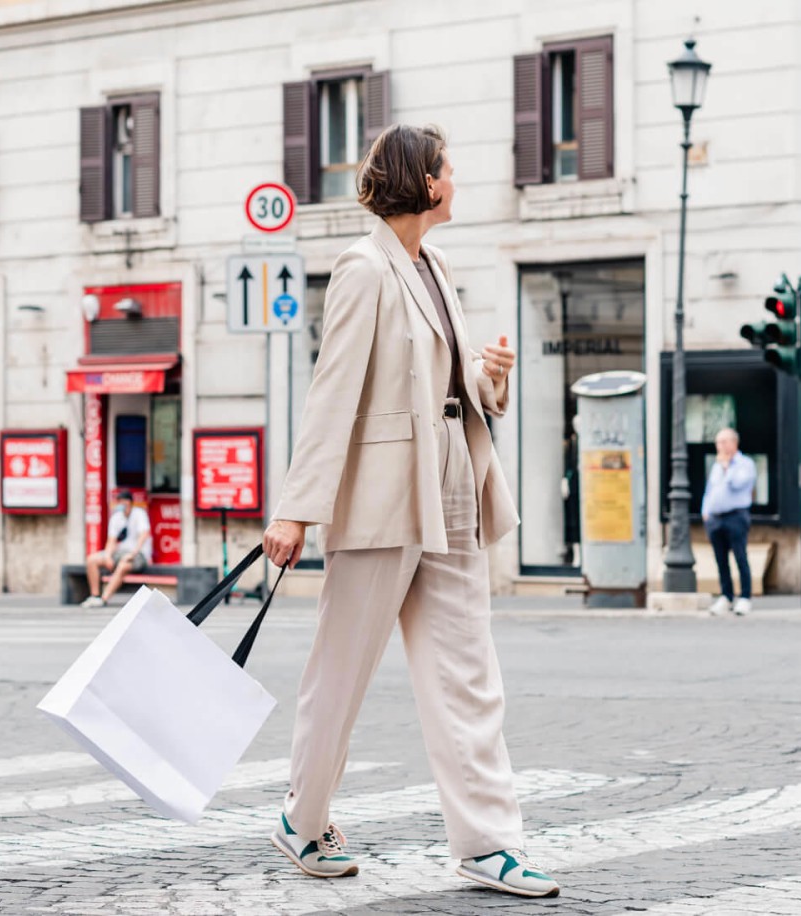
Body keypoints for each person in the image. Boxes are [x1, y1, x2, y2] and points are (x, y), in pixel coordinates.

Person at [261, 124, 559, 899]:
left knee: (467, 674)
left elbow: (454, 391)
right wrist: (297, 510)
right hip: (385, 496)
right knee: (342, 671)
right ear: (424, 183)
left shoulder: (436, 265)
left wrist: (490, 377)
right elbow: (333, 395)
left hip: (453, 484)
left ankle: (487, 845)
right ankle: (303, 818)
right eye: (449, 169)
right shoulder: (363, 270)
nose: (456, 179)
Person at [702, 427, 756, 615]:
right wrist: (705, 511)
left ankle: (745, 597)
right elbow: (710, 491)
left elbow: (737, 485)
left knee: (740, 557)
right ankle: (726, 596)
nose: (721, 446)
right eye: (718, 442)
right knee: (720, 560)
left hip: (736, 516)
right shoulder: (716, 466)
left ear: (734, 443)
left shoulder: (745, 464)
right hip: (716, 519)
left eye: (724, 442)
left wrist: (727, 467)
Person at [80, 490, 152, 608]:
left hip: (138, 555)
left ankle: (104, 598)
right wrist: (108, 556)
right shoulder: (116, 517)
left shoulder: (139, 514)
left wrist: (132, 554)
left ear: (129, 502)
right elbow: (112, 540)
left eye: (121, 501)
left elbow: (144, 535)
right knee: (92, 559)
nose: (119, 504)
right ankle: (95, 595)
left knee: (123, 565)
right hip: (119, 553)